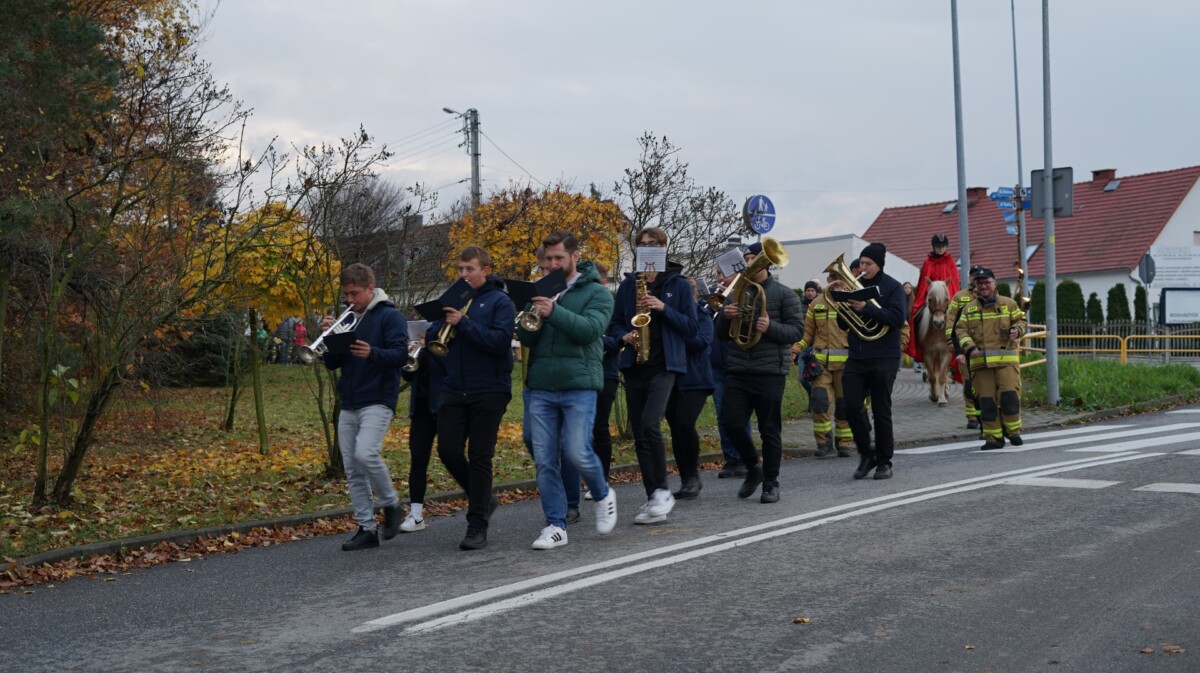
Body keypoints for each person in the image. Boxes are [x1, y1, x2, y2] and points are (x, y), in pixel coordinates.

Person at [517, 231, 618, 549]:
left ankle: (602, 493)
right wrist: (527, 316)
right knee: (545, 459)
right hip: (541, 385)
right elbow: (528, 338)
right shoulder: (542, 289)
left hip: (579, 385)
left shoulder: (598, 293)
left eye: (558, 258)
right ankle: (555, 525)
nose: (552, 264)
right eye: (548, 259)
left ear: (575, 257)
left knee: (576, 450)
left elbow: (590, 331)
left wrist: (554, 312)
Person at [425, 246, 514, 550]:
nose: (463, 274)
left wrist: (464, 323)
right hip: (454, 387)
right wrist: (439, 324)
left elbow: (500, 342)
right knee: (447, 450)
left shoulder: (500, 301)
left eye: (469, 269)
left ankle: (477, 525)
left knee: (479, 457)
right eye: (460, 269)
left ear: (485, 270)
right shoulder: (454, 298)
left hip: (489, 388)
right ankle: (483, 498)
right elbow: (432, 340)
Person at [609, 226, 697, 523]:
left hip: (665, 365)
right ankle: (653, 497)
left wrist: (662, 308)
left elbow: (692, 327)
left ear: (663, 248)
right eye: (643, 244)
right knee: (640, 434)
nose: (648, 247)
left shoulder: (678, 285)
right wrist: (624, 336)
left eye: (654, 244)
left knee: (650, 424)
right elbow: (615, 324)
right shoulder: (629, 285)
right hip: (635, 364)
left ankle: (662, 491)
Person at [320, 263, 407, 551]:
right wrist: (329, 339)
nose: (349, 300)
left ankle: (392, 504)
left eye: (354, 294)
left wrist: (372, 353)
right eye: (346, 294)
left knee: (365, 453)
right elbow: (333, 363)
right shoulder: (348, 319)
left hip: (378, 398)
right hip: (350, 400)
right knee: (353, 468)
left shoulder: (390, 316)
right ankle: (367, 529)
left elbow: (400, 356)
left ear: (371, 288)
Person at [715, 241, 805, 503]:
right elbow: (721, 336)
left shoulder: (785, 294)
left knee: (769, 430)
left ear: (765, 262)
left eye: (752, 258)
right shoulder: (736, 291)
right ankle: (753, 467)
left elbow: (797, 331)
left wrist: (771, 327)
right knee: (730, 422)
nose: (748, 263)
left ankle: (771, 483)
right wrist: (725, 317)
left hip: (769, 372)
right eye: (745, 259)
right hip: (739, 369)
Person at [839, 243, 908, 481]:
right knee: (850, 406)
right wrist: (843, 303)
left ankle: (884, 461)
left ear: (879, 264)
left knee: (881, 410)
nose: (863, 268)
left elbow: (897, 318)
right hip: (856, 357)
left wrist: (866, 308)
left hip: (884, 356)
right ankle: (866, 455)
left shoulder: (892, 287)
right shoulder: (855, 286)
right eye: (861, 263)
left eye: (868, 263)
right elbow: (842, 324)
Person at [952, 267, 1027, 450]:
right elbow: (960, 330)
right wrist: (969, 347)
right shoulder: (968, 309)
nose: (983, 286)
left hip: (1006, 363)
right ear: (975, 286)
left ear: (995, 284)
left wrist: (1017, 330)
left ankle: (1012, 431)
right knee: (987, 403)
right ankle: (994, 438)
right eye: (979, 283)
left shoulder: (1009, 304)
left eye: (987, 282)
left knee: (1009, 398)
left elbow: (1021, 321)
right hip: (981, 365)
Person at [793, 273, 852, 458]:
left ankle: (844, 443)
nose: (837, 282)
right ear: (828, 280)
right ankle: (823, 443)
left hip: (845, 366)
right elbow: (807, 334)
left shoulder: (853, 301)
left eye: (841, 278)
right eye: (833, 277)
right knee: (819, 402)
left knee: (844, 406)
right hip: (821, 365)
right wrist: (796, 348)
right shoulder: (817, 303)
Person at [666, 277, 714, 500]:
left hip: (696, 379)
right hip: (671, 378)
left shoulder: (703, 315)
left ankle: (693, 475)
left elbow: (700, 342)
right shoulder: (670, 315)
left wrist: (674, 334)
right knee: (676, 429)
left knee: (685, 425)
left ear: (692, 294)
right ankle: (686, 479)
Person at [710, 270, 748, 479]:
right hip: (716, 363)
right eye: (718, 273)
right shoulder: (715, 294)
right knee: (722, 413)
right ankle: (731, 458)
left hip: (736, 362)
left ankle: (744, 458)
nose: (720, 277)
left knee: (739, 413)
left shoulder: (743, 294)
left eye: (724, 273)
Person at [398, 330, 437, 534]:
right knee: (418, 459)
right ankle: (416, 515)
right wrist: (411, 352)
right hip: (421, 408)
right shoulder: (420, 348)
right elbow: (407, 374)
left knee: (452, 455)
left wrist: (429, 348)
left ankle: (479, 502)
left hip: (447, 404)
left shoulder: (445, 336)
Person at [905, 233, 960, 367]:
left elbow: (954, 283)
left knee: (960, 318)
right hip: (931, 298)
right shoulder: (927, 262)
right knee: (914, 316)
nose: (941, 249)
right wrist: (927, 295)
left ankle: (958, 348)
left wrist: (950, 298)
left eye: (943, 246)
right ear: (934, 247)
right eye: (938, 246)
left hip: (946, 297)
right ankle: (916, 344)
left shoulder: (951, 262)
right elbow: (923, 283)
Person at [944, 266, 984, 430]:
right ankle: (972, 416)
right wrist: (950, 339)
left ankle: (986, 414)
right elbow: (951, 318)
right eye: (973, 276)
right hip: (964, 346)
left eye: (978, 276)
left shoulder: (989, 295)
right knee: (969, 383)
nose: (975, 279)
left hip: (984, 348)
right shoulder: (959, 297)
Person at [796, 279, 821, 409]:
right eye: (808, 290)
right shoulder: (799, 306)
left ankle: (816, 401)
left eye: (812, 290)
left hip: (817, 347)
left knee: (816, 377)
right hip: (803, 346)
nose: (810, 293)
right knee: (802, 377)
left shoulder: (820, 304)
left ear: (816, 292)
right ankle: (812, 395)